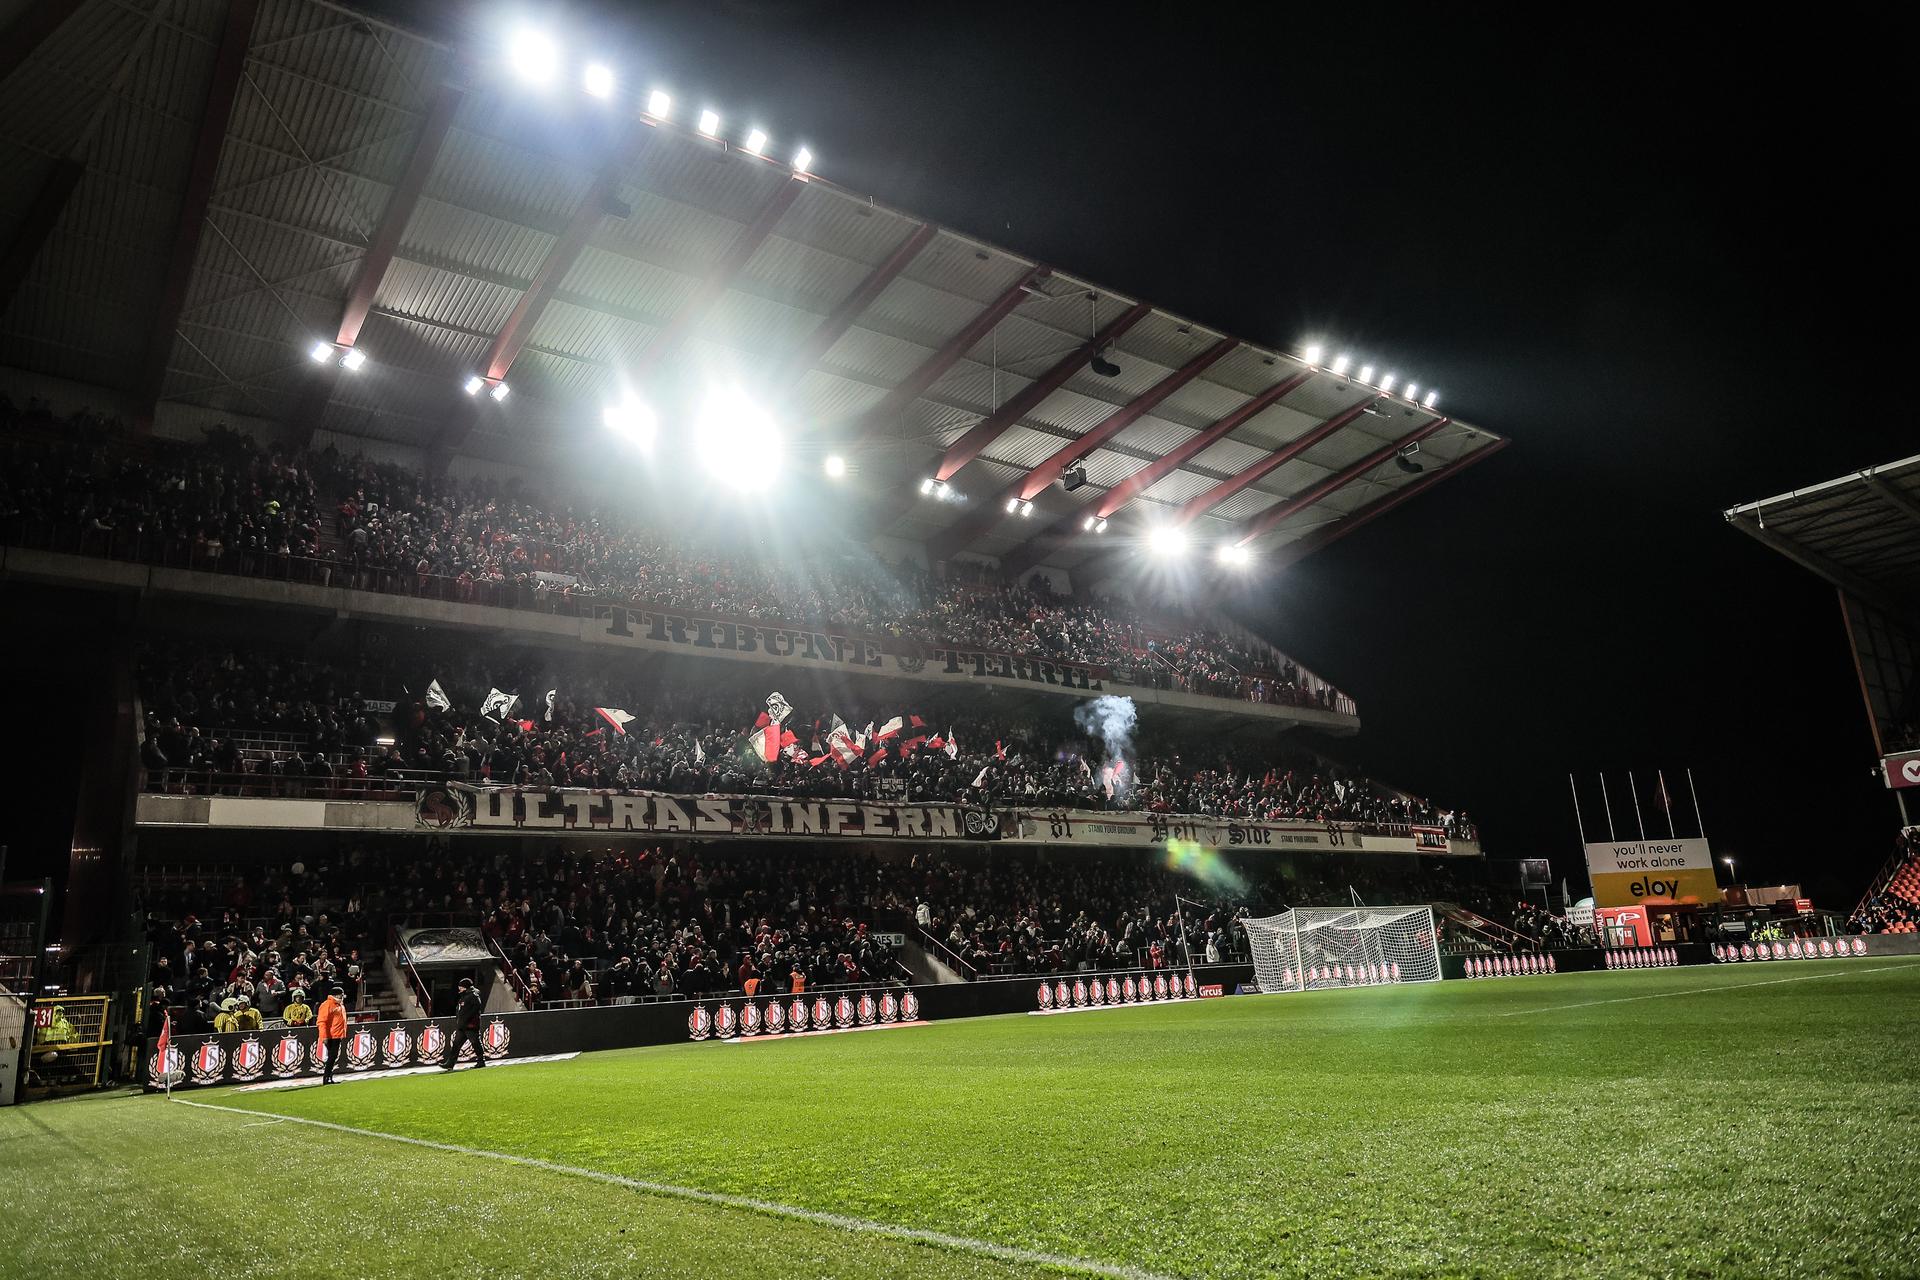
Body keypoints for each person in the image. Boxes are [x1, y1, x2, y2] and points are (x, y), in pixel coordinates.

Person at [441, 977, 485, 1071]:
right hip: (462, 1026)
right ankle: (450, 1063)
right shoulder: (464, 996)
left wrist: (466, 1019)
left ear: (465, 987)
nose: (459, 988)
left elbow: (476, 1008)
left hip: (471, 1025)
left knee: (475, 1043)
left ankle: (481, 1061)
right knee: (456, 1045)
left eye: (461, 987)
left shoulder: (473, 996)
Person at [315, 984, 348, 1084]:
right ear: (336, 995)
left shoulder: (339, 1004)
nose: (342, 997)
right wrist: (324, 1036)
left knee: (332, 1056)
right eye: (341, 995)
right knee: (332, 1056)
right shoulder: (327, 1004)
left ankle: (329, 1077)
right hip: (331, 1036)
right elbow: (321, 1022)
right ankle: (326, 1077)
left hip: (337, 1035)